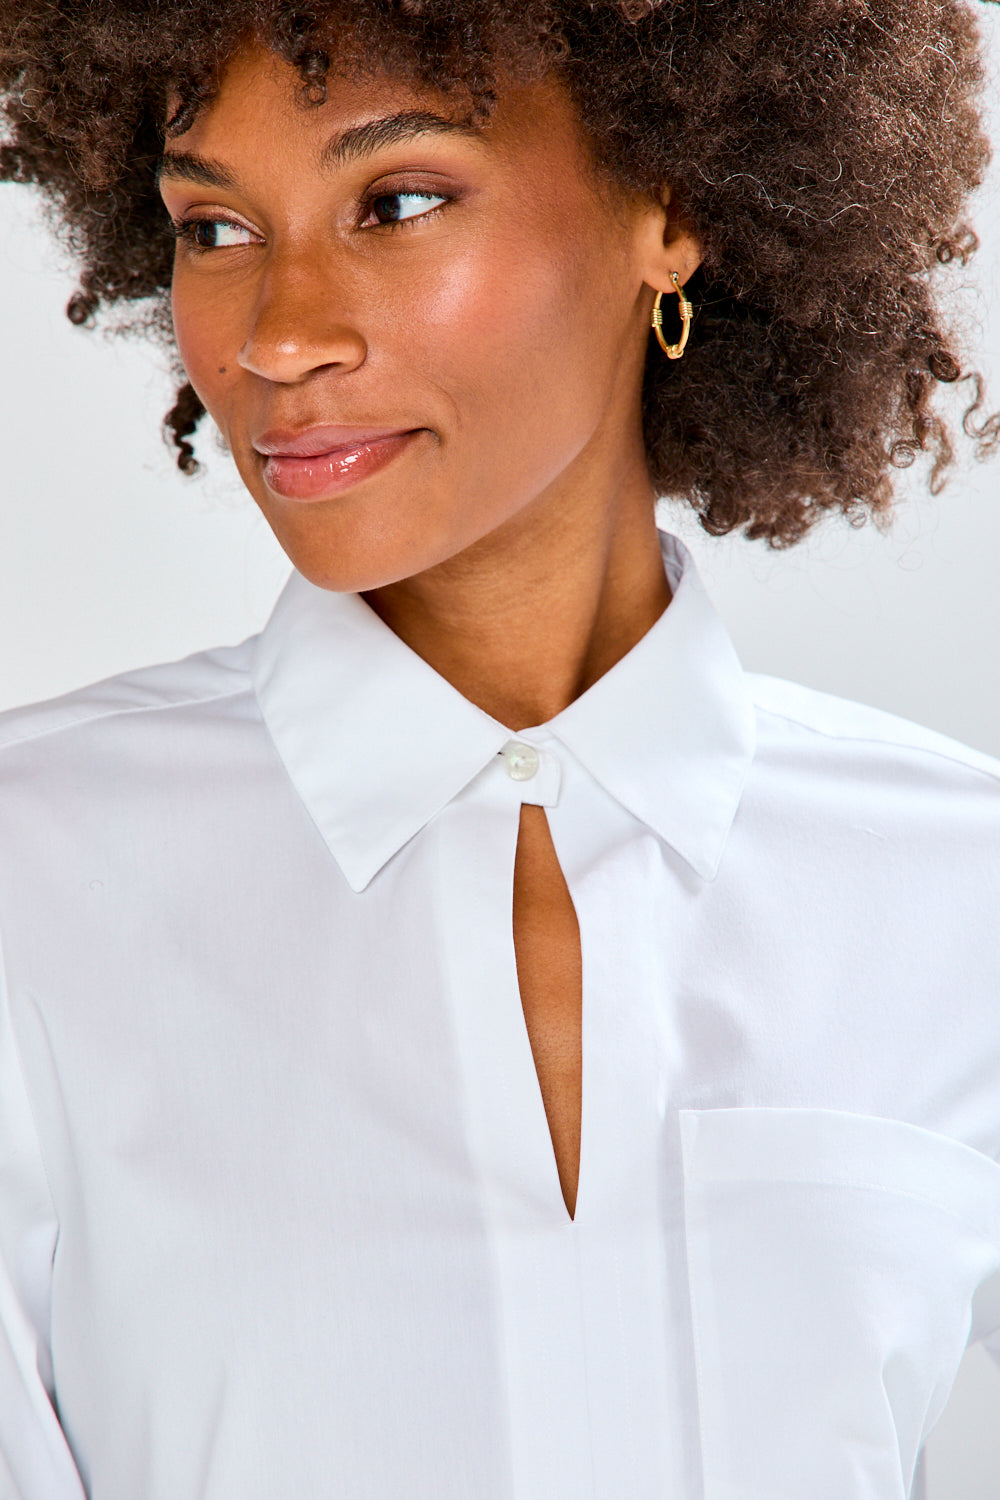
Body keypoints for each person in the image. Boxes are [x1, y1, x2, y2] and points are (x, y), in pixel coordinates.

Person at [1, 2, 999, 1497]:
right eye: (214, 227)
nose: (279, 333)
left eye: (396, 203)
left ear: (673, 206)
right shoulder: (34, 880)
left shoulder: (959, 888)